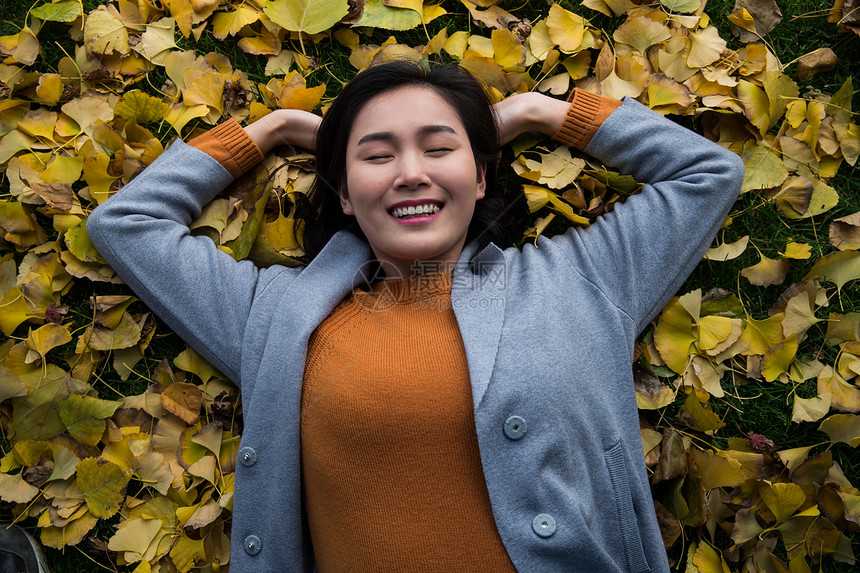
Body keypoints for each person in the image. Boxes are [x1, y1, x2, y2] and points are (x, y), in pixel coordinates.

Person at [87, 61, 744, 572]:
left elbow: (706, 174)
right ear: (344, 192)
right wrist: (279, 127)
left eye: (439, 149)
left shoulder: (580, 280)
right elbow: (126, 224)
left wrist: (537, 112)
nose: (410, 172)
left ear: (481, 177)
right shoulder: (278, 319)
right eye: (376, 156)